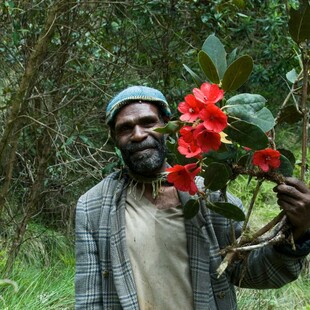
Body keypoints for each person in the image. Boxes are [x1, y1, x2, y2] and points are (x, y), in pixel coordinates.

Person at [75, 85, 310, 310]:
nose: (138, 135)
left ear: (167, 125)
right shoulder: (93, 207)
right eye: (125, 128)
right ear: (114, 138)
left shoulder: (211, 198)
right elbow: (89, 299)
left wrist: (299, 231)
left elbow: (253, 273)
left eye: (148, 122)